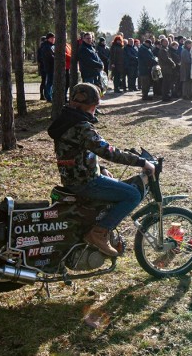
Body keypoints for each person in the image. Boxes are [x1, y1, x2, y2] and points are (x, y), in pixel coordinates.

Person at [47, 83, 155, 256]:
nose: (95, 109)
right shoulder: (81, 127)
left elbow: (76, 152)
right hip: (85, 182)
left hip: (72, 177)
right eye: (95, 106)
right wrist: (141, 162)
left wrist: (100, 167)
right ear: (91, 105)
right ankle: (99, 232)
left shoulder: (65, 121)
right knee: (132, 195)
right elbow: (108, 151)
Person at [39, 32, 56, 101]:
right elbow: (50, 57)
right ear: (48, 39)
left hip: (52, 67)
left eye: (54, 38)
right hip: (49, 67)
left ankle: (50, 95)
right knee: (49, 82)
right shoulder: (46, 47)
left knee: (51, 82)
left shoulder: (52, 46)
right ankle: (48, 97)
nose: (53, 39)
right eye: (51, 38)